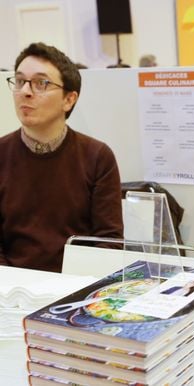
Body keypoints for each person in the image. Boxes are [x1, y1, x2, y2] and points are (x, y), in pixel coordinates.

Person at [0, 42, 123, 272]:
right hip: (10, 291)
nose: (25, 91)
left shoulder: (97, 157)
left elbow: (109, 243)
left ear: (69, 99)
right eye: (19, 81)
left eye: (40, 83)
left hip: (76, 288)